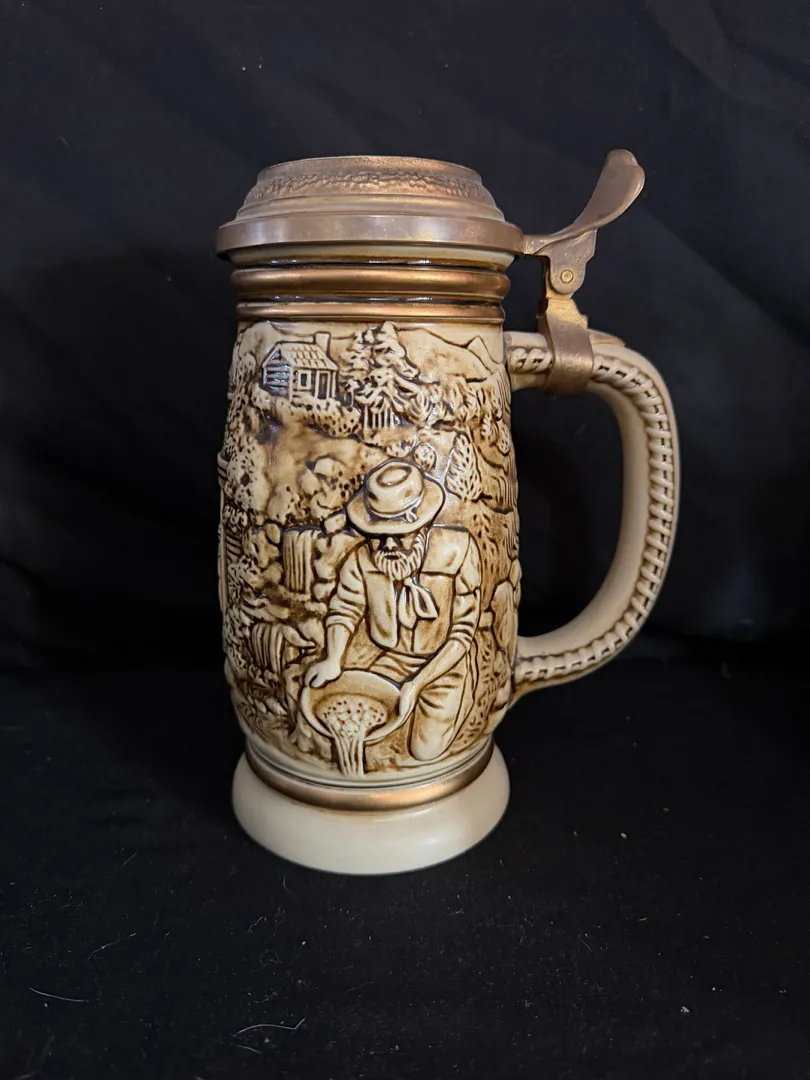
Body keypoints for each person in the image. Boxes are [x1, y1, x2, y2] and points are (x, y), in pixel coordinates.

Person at [304, 459, 481, 761]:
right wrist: (333, 658)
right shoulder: (362, 560)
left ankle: (466, 702)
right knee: (372, 739)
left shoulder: (458, 551)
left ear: (422, 526)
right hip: (392, 661)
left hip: (444, 666)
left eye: (400, 533)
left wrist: (418, 683)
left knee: (425, 752)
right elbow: (344, 610)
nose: (388, 545)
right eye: (378, 534)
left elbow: (463, 634)